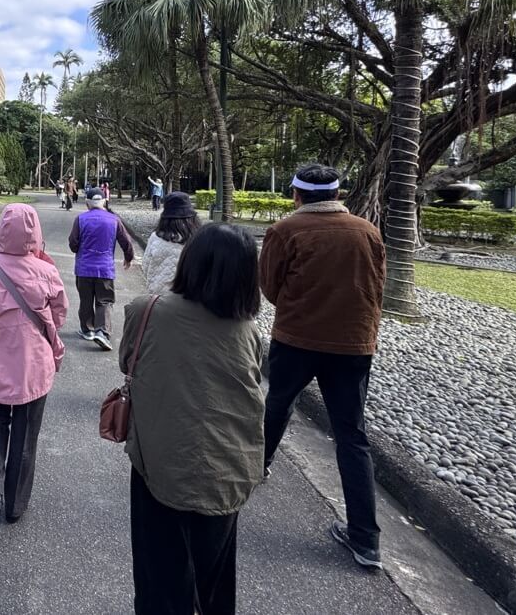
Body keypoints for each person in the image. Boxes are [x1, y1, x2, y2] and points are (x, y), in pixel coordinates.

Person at [121, 224, 265, 615]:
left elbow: (128, 362)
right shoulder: (248, 332)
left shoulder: (147, 311)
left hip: (159, 463)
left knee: (158, 575)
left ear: (190, 263)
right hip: (229, 469)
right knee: (214, 581)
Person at [261, 163, 386, 570]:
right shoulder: (367, 231)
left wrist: (300, 305)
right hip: (353, 344)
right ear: (337, 195)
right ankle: (365, 539)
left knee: (278, 404)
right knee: (352, 435)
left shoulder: (285, 231)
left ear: (296, 195)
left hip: (296, 338)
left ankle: (258, 466)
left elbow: (270, 286)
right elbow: (377, 286)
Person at [0, 204, 68, 524]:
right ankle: (15, 505)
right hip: (33, 364)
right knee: (26, 432)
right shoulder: (46, 271)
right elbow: (60, 315)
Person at [68, 187, 135, 351]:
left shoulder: (80, 219)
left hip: (84, 268)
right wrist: (129, 257)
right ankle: (102, 332)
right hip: (105, 269)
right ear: (104, 201)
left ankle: (88, 330)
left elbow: (73, 244)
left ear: (87, 203)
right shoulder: (114, 220)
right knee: (104, 301)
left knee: (86, 300)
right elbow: (126, 241)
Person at [142, 192, 201, 296]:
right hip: (190, 297)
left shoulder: (156, 237)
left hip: (158, 296)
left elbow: (145, 266)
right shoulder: (198, 238)